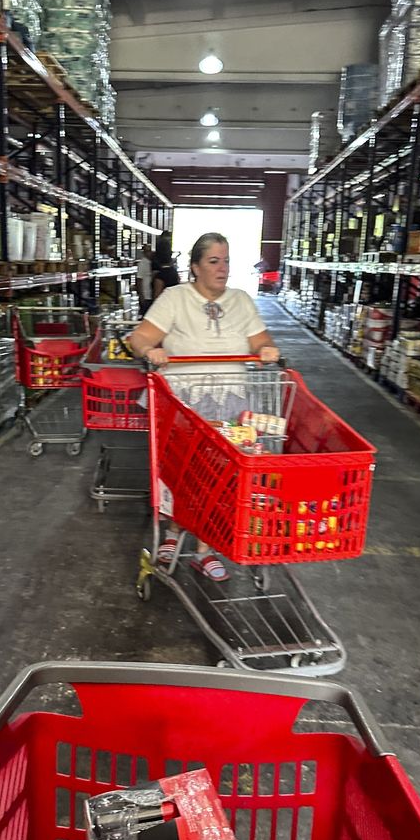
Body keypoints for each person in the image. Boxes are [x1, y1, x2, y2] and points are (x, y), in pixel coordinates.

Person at [127, 231, 280, 583]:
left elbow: (260, 340)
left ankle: (205, 548)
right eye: (214, 261)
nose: (222, 268)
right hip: (185, 402)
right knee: (183, 473)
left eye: (226, 261)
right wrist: (151, 350)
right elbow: (139, 339)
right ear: (195, 267)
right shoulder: (174, 298)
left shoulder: (241, 300)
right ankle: (172, 534)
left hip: (231, 401)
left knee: (221, 477)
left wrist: (267, 349)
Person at [135, 244, 154, 317]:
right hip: (146, 296)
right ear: (144, 253)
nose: (149, 253)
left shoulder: (152, 263)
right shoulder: (142, 264)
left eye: (150, 251)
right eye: (147, 251)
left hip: (150, 295)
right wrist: (141, 296)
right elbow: (139, 280)